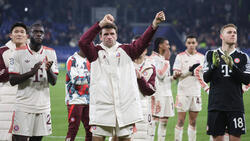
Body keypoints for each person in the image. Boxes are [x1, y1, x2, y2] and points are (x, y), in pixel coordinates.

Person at [78, 11, 165, 141]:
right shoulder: (95, 52)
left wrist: (155, 24)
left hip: (124, 108)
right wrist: (100, 24)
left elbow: (143, 42)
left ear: (116, 35)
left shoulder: (126, 50)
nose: (109, 37)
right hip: (102, 108)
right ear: (100, 37)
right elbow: (83, 42)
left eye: (112, 34)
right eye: (105, 34)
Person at [8, 23, 58, 141]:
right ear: (29, 35)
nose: (39, 34)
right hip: (23, 106)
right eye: (35, 32)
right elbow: (12, 80)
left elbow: (54, 81)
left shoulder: (51, 52)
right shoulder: (17, 53)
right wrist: (31, 73)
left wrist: (49, 70)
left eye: (41, 32)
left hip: (43, 107)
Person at [203, 23, 250, 141]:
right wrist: (214, 66)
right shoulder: (211, 54)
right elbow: (206, 78)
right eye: (229, 32)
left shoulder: (243, 56)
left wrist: (232, 66)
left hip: (235, 106)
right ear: (221, 36)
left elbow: (246, 80)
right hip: (216, 106)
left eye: (235, 32)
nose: (233, 34)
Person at [173, 34, 209, 141]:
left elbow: (205, 76)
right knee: (180, 121)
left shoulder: (202, 58)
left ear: (196, 43)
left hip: (196, 92)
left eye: (193, 43)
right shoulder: (180, 56)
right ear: (186, 44)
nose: (191, 45)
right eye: (189, 43)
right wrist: (188, 72)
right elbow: (175, 74)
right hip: (183, 92)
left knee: (193, 122)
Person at [0, 22, 28, 141]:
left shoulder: (33, 51)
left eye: (22, 32)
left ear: (27, 36)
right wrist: (15, 67)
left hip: (28, 97)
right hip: (7, 98)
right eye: (16, 31)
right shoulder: (2, 51)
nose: (19, 34)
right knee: (5, 134)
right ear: (10, 35)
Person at [149, 37, 175, 141]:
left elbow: (165, 79)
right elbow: (160, 75)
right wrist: (167, 61)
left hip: (167, 93)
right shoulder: (153, 59)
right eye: (167, 44)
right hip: (158, 94)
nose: (168, 46)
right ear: (160, 45)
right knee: (154, 121)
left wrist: (174, 77)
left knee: (164, 122)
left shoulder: (162, 59)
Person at [132, 36, 156, 141]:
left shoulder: (150, 67)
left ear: (145, 49)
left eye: (140, 46)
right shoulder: (124, 65)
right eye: (134, 46)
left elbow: (150, 90)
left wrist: (140, 78)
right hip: (126, 107)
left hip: (144, 108)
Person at [65, 49, 92, 141]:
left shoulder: (91, 60)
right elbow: (75, 80)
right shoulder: (72, 60)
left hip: (89, 100)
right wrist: (93, 77)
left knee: (91, 131)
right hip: (75, 100)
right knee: (73, 129)